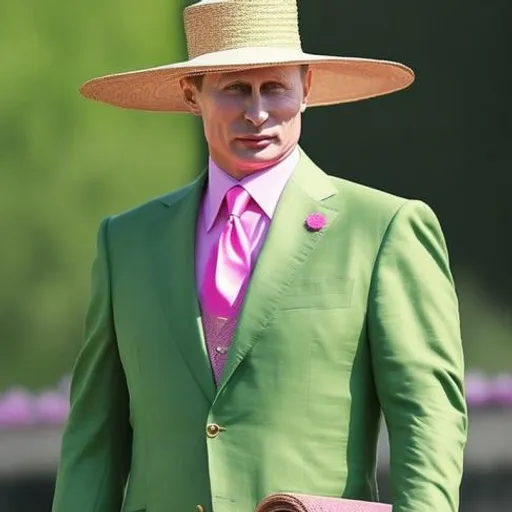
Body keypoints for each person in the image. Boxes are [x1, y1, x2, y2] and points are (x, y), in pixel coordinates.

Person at [51, 1, 468, 511]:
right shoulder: (127, 241)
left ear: (306, 89)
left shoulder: (381, 229)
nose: (257, 113)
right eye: (234, 89)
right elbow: (95, 434)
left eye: (275, 88)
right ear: (192, 94)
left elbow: (427, 415)